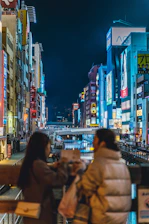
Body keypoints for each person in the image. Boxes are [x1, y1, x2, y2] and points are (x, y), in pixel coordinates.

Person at [76, 129, 131, 224]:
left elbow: (84, 188)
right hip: (121, 219)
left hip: (101, 218)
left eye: (95, 139)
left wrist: (81, 169)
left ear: (102, 143)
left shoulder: (98, 164)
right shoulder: (122, 165)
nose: (93, 142)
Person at [17, 132, 68, 224]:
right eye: (48, 147)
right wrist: (63, 165)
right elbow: (58, 180)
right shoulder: (38, 165)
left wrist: (51, 166)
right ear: (42, 148)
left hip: (30, 212)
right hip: (40, 215)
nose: (49, 150)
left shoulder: (29, 163)